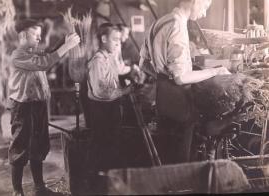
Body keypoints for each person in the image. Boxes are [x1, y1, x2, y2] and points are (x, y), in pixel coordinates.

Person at [139, 0, 231, 163]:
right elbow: (181, 78)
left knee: (168, 150)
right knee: (181, 156)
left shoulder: (161, 21)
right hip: (178, 102)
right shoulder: (177, 26)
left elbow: (143, 64)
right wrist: (215, 71)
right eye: (204, 8)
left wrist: (164, 76)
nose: (203, 14)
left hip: (163, 98)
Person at [8, 18, 80, 196]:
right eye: (36, 34)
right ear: (23, 35)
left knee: (38, 146)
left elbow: (47, 56)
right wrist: (67, 46)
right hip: (23, 107)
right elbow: (45, 62)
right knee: (20, 146)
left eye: (40, 35)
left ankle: (39, 188)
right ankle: (17, 191)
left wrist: (64, 41)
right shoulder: (18, 55)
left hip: (39, 105)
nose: (39, 38)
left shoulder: (35, 53)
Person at [86, 23, 134, 191]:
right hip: (101, 110)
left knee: (112, 146)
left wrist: (134, 69)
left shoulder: (109, 57)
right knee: (101, 147)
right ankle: (96, 187)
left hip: (111, 108)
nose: (117, 44)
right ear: (104, 39)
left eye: (119, 40)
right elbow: (101, 92)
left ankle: (108, 184)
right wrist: (125, 90)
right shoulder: (97, 61)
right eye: (114, 40)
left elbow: (118, 70)